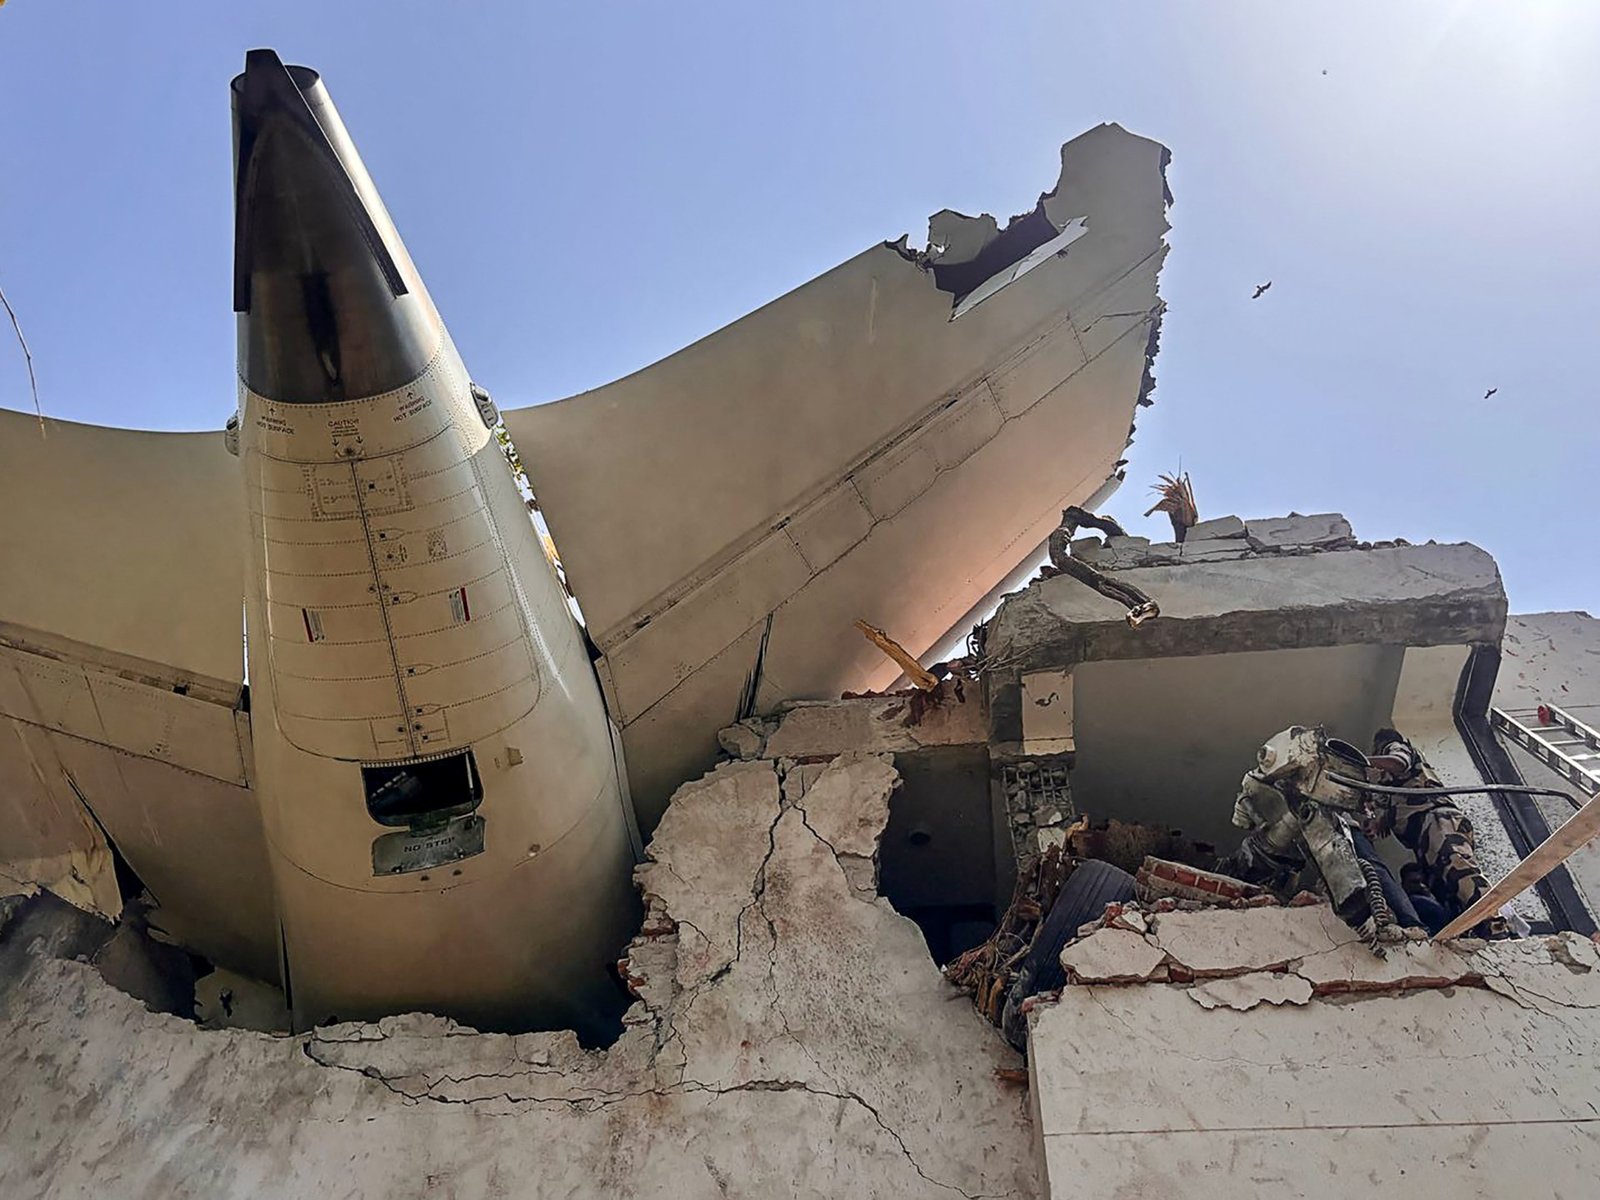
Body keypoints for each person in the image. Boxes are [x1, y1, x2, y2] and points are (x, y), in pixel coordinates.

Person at [1366, 728, 1507, 938]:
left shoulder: (1396, 748)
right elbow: (1399, 812)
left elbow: (1399, 762)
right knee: (1444, 887)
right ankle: (1473, 932)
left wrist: (1364, 761)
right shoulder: (1395, 789)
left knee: (1457, 869)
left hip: (1436, 820)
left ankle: (1494, 923)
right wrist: (1377, 825)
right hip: (1424, 834)